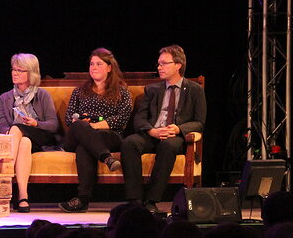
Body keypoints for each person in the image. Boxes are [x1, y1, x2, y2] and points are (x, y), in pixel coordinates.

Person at [120, 45, 207, 214]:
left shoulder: (195, 90)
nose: (159, 67)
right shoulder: (152, 89)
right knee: (130, 143)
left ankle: (151, 200)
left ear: (178, 65)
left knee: (167, 146)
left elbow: (199, 122)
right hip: (152, 133)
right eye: (158, 64)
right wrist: (151, 131)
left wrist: (178, 128)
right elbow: (140, 118)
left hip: (175, 136)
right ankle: (135, 200)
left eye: (164, 63)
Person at [58, 48, 131, 213]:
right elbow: (70, 119)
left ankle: (82, 200)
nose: (94, 67)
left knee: (84, 147)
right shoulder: (79, 91)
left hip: (110, 136)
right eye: (91, 64)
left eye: (99, 64)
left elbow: (122, 119)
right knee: (79, 126)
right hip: (77, 135)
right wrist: (84, 125)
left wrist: (95, 125)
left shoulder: (121, 91)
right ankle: (107, 158)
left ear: (109, 67)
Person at [0, 53, 60, 213]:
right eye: (13, 69)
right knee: (23, 141)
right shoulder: (4, 98)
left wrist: (36, 123)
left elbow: (53, 125)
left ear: (31, 74)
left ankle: (4, 175)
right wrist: (8, 131)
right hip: (19, 140)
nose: (14, 73)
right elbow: (2, 123)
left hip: (42, 136)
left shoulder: (42, 95)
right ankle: (23, 197)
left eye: (20, 70)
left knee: (17, 128)